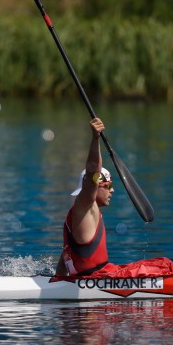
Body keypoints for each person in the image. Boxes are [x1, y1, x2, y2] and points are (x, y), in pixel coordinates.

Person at [56, 117, 114, 276]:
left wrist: (58, 280)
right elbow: (93, 172)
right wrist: (95, 139)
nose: (112, 190)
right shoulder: (85, 204)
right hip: (95, 279)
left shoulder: (79, 216)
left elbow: (65, 256)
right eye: (108, 185)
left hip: (93, 278)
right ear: (94, 188)